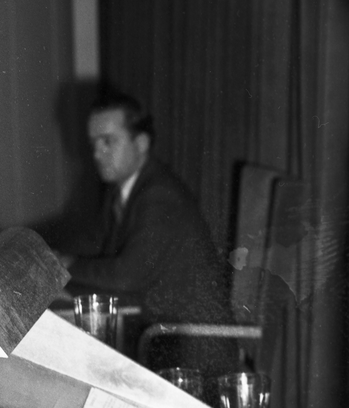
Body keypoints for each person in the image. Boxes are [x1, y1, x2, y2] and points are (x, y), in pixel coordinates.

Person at [60, 92, 233, 366]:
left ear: (141, 143)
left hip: (192, 350)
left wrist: (64, 266)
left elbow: (127, 276)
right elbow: (94, 244)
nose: (96, 153)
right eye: (93, 143)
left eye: (108, 141)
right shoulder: (122, 190)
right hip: (156, 333)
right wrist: (50, 257)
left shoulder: (160, 195)